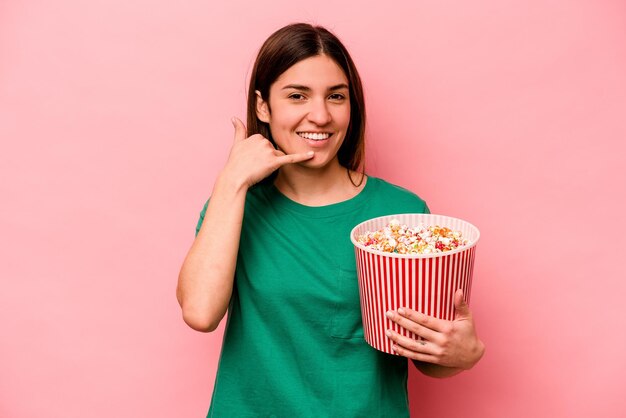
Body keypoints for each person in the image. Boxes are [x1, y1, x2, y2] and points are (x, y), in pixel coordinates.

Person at [177, 23, 485, 417]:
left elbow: (425, 350)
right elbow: (200, 313)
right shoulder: (233, 206)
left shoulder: (400, 214)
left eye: (336, 97)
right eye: (297, 96)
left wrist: (463, 353)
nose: (320, 115)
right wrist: (232, 181)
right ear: (263, 107)